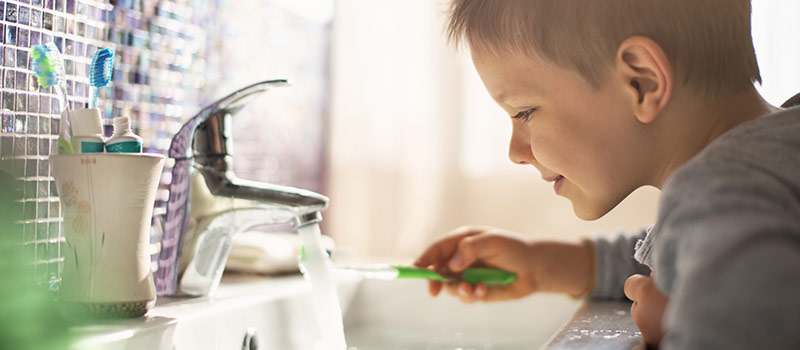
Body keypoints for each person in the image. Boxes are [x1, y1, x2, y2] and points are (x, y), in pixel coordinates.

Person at [413, 1, 800, 349]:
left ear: (643, 82)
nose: (515, 153)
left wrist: (675, 331)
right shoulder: (770, 166)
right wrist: (548, 264)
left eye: (525, 112)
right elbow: (695, 244)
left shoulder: (724, 194)